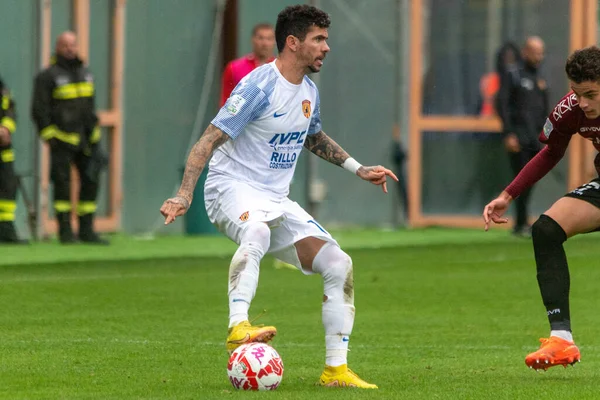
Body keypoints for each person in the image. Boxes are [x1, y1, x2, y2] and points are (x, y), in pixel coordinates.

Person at [161, 5, 397, 389]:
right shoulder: (258, 87)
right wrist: (183, 193)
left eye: (326, 39)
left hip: (274, 197)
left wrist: (358, 168)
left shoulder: (308, 91)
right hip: (230, 186)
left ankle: (335, 371)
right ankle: (238, 326)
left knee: (339, 263)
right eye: (318, 39)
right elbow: (209, 138)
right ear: (292, 42)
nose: (326, 48)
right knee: (257, 232)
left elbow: (313, 136)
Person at [482, 45, 600, 371]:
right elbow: (550, 154)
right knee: (546, 229)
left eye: (591, 93)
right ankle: (561, 338)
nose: (584, 102)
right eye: (578, 93)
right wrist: (508, 194)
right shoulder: (570, 109)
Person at [32, 31, 108, 244]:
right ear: (57, 47)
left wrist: (94, 133)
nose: (70, 48)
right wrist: (50, 137)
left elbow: (90, 106)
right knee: (62, 186)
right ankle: (65, 232)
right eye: (65, 45)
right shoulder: (47, 76)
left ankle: (87, 230)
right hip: (62, 140)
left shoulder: (85, 73)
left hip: (87, 140)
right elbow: (39, 110)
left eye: (73, 44)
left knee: (91, 181)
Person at [496, 36, 549, 237]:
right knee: (521, 178)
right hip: (519, 137)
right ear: (525, 52)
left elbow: (544, 110)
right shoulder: (514, 75)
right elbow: (502, 104)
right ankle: (520, 222)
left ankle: (522, 221)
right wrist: (509, 133)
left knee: (531, 180)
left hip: (536, 138)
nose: (539, 56)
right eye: (535, 52)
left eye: (541, 52)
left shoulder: (540, 78)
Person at [220, 23, 276, 107]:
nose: (265, 43)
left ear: (274, 42)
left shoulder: (282, 69)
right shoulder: (234, 67)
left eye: (269, 39)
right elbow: (225, 102)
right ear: (253, 39)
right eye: (260, 38)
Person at [0, 76, 26, 243]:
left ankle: (6, 231)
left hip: (3, 150)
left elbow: (10, 109)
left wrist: (6, 128)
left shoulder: (2, 86)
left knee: (8, 187)